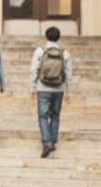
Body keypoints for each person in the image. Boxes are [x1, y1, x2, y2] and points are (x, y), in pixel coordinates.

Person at [31, 26, 72, 158]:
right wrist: (68, 92)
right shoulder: (64, 53)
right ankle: (52, 142)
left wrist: (32, 87)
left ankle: (47, 143)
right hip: (59, 89)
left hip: (42, 88)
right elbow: (68, 74)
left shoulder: (40, 51)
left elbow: (34, 70)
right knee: (55, 115)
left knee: (43, 116)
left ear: (46, 36)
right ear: (58, 37)